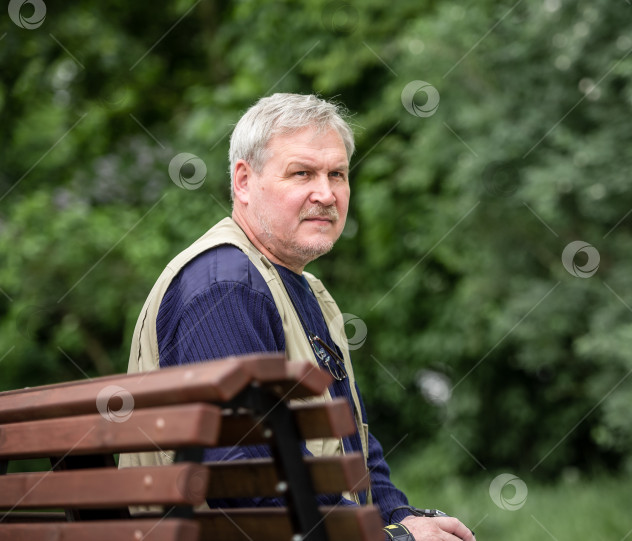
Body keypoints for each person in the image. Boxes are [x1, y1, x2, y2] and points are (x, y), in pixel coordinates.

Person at [120, 93, 476, 541]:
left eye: (338, 175)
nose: (326, 194)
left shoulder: (298, 288)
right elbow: (245, 480)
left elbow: (359, 450)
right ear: (244, 182)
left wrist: (400, 516)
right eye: (302, 173)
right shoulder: (226, 285)